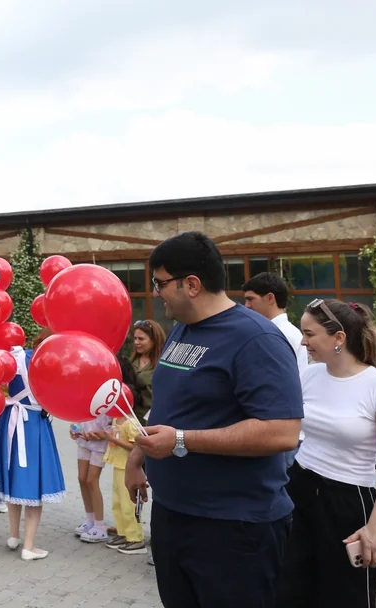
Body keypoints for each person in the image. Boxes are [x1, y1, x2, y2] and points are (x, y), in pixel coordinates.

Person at [126, 232, 302, 608]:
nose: (156, 293)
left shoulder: (256, 339)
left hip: (234, 528)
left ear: (191, 284)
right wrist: (138, 456)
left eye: (160, 283)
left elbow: (283, 431)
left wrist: (180, 441)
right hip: (175, 515)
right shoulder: (182, 330)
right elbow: (172, 406)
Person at [275, 300, 376, 607]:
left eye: (309, 333)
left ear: (339, 338)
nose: (303, 341)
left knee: (346, 596)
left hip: (348, 503)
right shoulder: (309, 376)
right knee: (291, 589)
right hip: (299, 490)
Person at [0, 330, 65, 561]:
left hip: (9, 423)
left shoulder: (16, 357)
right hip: (33, 425)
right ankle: (29, 546)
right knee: (34, 484)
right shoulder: (51, 367)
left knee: (15, 477)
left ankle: (14, 536)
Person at [243, 272, 309, 466]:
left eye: (250, 299)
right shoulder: (278, 332)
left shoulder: (278, 335)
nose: (246, 306)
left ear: (270, 298)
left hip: (280, 433)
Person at [97, 357, 146, 555]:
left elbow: (136, 446)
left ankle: (135, 538)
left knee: (128, 503)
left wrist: (113, 439)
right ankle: (123, 532)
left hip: (128, 466)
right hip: (118, 466)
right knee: (117, 503)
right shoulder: (117, 420)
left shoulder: (129, 422)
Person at [70, 413, 110, 542]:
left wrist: (103, 433)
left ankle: (100, 527)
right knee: (82, 478)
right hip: (83, 440)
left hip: (99, 444)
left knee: (92, 481)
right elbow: (76, 411)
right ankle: (90, 519)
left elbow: (116, 424)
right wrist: (73, 427)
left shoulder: (109, 397)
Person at [129, 319, 165, 424]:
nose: (136, 342)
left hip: (152, 421)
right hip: (130, 421)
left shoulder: (162, 365)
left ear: (154, 340)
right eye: (135, 338)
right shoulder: (131, 362)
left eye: (141, 339)